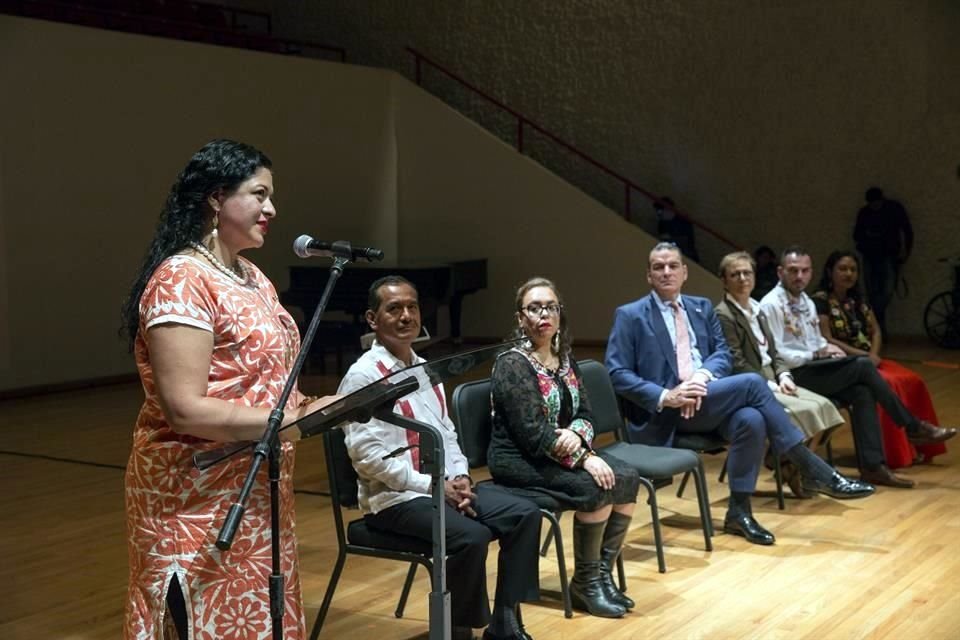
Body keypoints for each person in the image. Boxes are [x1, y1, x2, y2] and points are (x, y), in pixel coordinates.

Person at [120, 140, 337, 639]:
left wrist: (317, 407)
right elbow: (184, 409)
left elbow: (265, 381)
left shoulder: (253, 277)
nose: (272, 209)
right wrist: (287, 423)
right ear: (217, 197)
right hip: (193, 498)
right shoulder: (181, 279)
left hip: (256, 491)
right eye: (259, 194)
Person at [605, 242, 873, 547]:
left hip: (704, 399)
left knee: (750, 419)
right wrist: (668, 395)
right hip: (665, 412)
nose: (666, 272)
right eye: (658, 267)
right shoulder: (630, 315)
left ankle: (739, 512)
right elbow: (617, 372)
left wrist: (700, 378)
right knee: (752, 383)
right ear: (649, 275)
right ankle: (813, 469)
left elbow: (721, 355)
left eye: (673, 266)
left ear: (684, 272)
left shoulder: (700, 307)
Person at [340, 276, 541, 640]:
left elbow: (446, 433)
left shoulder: (426, 369)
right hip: (395, 500)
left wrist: (460, 476)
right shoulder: (363, 376)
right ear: (372, 319)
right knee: (472, 537)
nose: (406, 316)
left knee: (524, 514)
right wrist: (435, 486)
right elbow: (369, 460)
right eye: (394, 309)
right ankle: (456, 631)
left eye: (412, 307)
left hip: (441, 488)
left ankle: (505, 621)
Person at [488, 277, 640, 618]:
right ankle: (585, 583)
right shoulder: (512, 364)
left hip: (558, 451)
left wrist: (577, 434)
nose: (544, 314)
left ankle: (600, 575)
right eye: (534, 308)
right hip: (518, 459)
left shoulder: (565, 357)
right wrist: (584, 457)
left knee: (627, 477)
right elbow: (532, 433)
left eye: (551, 307)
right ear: (520, 318)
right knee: (597, 485)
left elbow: (586, 413)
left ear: (560, 313)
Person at [759, 246, 956, 488]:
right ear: (780, 272)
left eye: (805, 271)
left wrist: (829, 348)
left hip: (815, 368)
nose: (799, 276)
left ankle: (873, 467)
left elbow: (816, 341)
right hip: (791, 376)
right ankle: (913, 427)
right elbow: (776, 354)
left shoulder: (806, 301)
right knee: (863, 366)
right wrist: (816, 353)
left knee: (863, 392)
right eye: (793, 271)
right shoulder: (770, 304)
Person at [715, 251, 845, 497]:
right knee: (806, 411)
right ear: (724, 280)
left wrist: (784, 376)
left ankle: (788, 464)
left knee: (825, 406)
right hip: (750, 382)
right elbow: (736, 362)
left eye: (747, 273)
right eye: (735, 274)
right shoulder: (723, 314)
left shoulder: (757, 309)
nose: (742, 279)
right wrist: (769, 384)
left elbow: (774, 353)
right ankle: (799, 470)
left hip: (773, 376)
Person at [812, 250, 947, 467]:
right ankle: (897, 451)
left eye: (853, 269)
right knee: (889, 383)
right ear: (830, 271)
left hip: (868, 359)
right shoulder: (820, 300)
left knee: (913, 381)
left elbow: (875, 331)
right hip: (845, 361)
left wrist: (873, 354)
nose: (849, 274)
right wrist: (864, 356)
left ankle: (919, 443)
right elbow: (826, 338)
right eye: (843, 269)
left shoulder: (859, 300)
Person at [853, 187, 913, 334]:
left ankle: (876, 322)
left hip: (889, 256)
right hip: (870, 255)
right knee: (872, 292)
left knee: (887, 291)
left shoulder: (894, 209)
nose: (874, 207)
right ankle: (878, 326)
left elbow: (907, 230)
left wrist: (905, 252)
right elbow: (857, 234)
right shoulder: (865, 213)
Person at [654, 196, 699, 263]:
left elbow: (687, 242)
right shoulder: (662, 224)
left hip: (687, 257)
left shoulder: (683, 221)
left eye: (660, 212)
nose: (658, 215)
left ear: (667, 209)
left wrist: (671, 239)